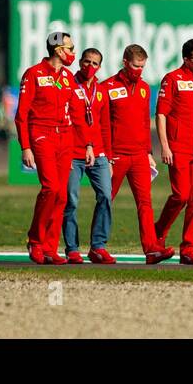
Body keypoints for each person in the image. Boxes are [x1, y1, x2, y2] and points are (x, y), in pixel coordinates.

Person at [16, 30, 88, 265]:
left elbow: (78, 114)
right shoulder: (34, 74)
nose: (73, 53)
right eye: (70, 48)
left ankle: (49, 247)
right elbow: (22, 114)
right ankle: (35, 240)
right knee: (51, 188)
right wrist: (25, 147)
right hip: (42, 135)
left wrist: (88, 144)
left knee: (62, 195)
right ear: (58, 50)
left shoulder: (68, 77)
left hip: (65, 138)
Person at [100, 45, 175, 264]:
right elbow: (103, 125)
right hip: (116, 156)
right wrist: (107, 155)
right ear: (125, 62)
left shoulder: (144, 88)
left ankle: (151, 250)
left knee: (145, 203)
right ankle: (98, 245)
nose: (139, 71)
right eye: (135, 66)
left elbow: (145, 122)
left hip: (139, 155)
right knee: (105, 200)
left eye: (142, 66)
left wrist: (149, 152)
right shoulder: (108, 87)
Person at [153, 38, 193, 265]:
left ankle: (188, 248)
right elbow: (160, 114)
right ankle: (157, 233)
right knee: (181, 195)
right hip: (178, 147)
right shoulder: (172, 79)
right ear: (186, 59)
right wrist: (165, 145)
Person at [61, 48, 115, 264]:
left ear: (99, 67)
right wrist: (86, 146)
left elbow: (105, 126)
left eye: (94, 63)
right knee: (71, 201)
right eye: (86, 62)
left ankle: (98, 247)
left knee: (106, 196)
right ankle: (72, 248)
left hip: (99, 153)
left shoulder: (100, 91)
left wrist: (109, 158)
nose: (89, 67)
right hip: (73, 152)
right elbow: (72, 120)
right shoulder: (68, 86)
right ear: (80, 62)